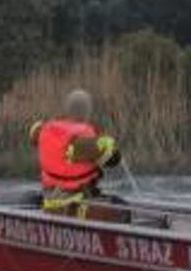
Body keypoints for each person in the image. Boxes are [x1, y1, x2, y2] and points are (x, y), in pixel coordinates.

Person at [28, 89, 121, 219]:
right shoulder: (84, 138)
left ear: (67, 110)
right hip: (75, 203)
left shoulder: (45, 131)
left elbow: (34, 135)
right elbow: (113, 159)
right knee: (120, 207)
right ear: (87, 112)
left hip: (50, 201)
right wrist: (107, 145)